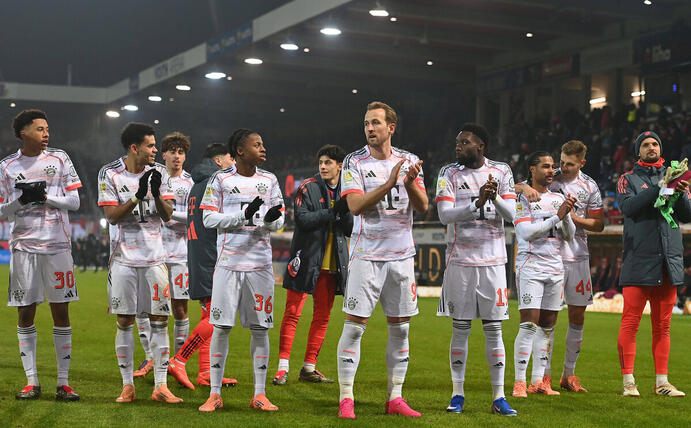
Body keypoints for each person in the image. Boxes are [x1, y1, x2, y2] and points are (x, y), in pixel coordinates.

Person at [336, 101, 428, 419]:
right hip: (367, 256)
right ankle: (346, 398)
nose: (369, 128)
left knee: (401, 330)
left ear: (391, 127)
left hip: (401, 258)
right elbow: (355, 206)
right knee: (354, 328)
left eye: (375, 122)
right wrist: (389, 183)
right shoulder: (354, 161)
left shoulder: (410, 161)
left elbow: (423, 207)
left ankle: (395, 397)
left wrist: (409, 183)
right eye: (366, 123)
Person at [198, 129, 284, 412]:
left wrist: (271, 220)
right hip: (229, 264)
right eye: (257, 144)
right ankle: (214, 394)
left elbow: (277, 223)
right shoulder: (220, 179)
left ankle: (260, 394)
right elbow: (208, 218)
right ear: (240, 150)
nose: (263, 148)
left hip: (260, 266)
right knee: (221, 327)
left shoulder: (269, 180)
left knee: (260, 329)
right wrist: (241, 216)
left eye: (263, 143)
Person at [435, 123, 518, 416]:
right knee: (460, 329)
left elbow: (513, 214)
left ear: (480, 146)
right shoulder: (448, 173)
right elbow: (444, 215)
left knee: (494, 330)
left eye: (464, 143)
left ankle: (499, 397)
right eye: (458, 143)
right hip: (460, 262)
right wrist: (476, 204)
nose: (458, 147)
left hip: (493, 262)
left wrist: (494, 198)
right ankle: (457, 394)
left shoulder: (502, 171)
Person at [1, 109, 81, 401]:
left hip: (57, 246)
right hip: (24, 249)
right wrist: (22, 200)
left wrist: (46, 198)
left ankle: (64, 383)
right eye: (40, 129)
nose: (46, 133)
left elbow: (74, 201)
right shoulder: (6, 167)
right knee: (25, 312)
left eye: (47, 129)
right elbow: (2, 210)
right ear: (23, 133)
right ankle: (31, 382)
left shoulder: (59, 159)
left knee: (61, 311)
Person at [98, 122, 181, 404]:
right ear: (135, 148)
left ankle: (161, 386)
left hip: (155, 259)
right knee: (124, 321)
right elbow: (112, 217)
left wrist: (155, 193)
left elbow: (167, 215)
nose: (156, 150)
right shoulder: (109, 173)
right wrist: (137, 195)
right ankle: (127, 386)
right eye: (151, 146)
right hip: (123, 260)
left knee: (160, 320)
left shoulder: (160, 173)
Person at [517, 140, 604, 392]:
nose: (562, 168)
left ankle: (569, 375)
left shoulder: (590, 186)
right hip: (549, 257)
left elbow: (599, 224)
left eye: (570, 164)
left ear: (582, 164)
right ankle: (543, 377)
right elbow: (515, 186)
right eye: (562, 162)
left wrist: (573, 217)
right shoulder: (548, 176)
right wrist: (524, 187)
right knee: (547, 319)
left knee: (577, 317)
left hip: (577, 255)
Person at [616, 131, 690, 397]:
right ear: (638, 151)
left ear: (660, 149)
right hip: (638, 260)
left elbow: (687, 215)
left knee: (663, 326)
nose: (651, 147)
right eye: (646, 144)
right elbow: (628, 208)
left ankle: (662, 383)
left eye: (655, 144)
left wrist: (680, 193)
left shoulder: (676, 178)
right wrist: (659, 188)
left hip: (668, 262)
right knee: (630, 323)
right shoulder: (627, 179)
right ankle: (628, 382)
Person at [273, 144, 353, 385]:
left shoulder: (348, 190)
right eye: (321, 162)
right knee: (292, 313)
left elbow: (349, 228)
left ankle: (309, 367)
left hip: (332, 263)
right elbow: (303, 220)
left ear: (340, 166)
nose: (323, 166)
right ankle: (282, 367)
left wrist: (345, 212)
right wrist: (333, 212)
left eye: (328, 162)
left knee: (322, 316)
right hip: (306, 259)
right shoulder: (307, 187)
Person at [167, 143, 237, 389]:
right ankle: (179, 360)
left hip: (199, 255)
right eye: (230, 158)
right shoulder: (214, 183)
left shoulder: (197, 184)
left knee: (209, 315)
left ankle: (205, 373)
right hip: (211, 257)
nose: (233, 163)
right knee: (216, 317)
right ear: (219, 160)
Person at [511, 151, 576, 398]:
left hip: (555, 269)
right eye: (545, 166)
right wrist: (556, 217)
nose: (551, 171)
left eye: (552, 167)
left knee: (547, 328)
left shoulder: (558, 198)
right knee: (529, 325)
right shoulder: (522, 197)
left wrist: (566, 216)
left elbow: (568, 235)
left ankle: (538, 381)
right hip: (531, 267)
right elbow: (526, 232)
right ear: (532, 169)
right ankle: (519, 382)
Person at [133, 132, 194, 376]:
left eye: (181, 152)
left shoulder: (189, 184)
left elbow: (192, 218)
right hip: (152, 252)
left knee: (179, 308)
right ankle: (150, 357)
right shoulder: (152, 177)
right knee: (146, 307)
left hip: (179, 254)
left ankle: (178, 362)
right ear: (164, 155)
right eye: (172, 152)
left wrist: (167, 213)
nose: (177, 156)